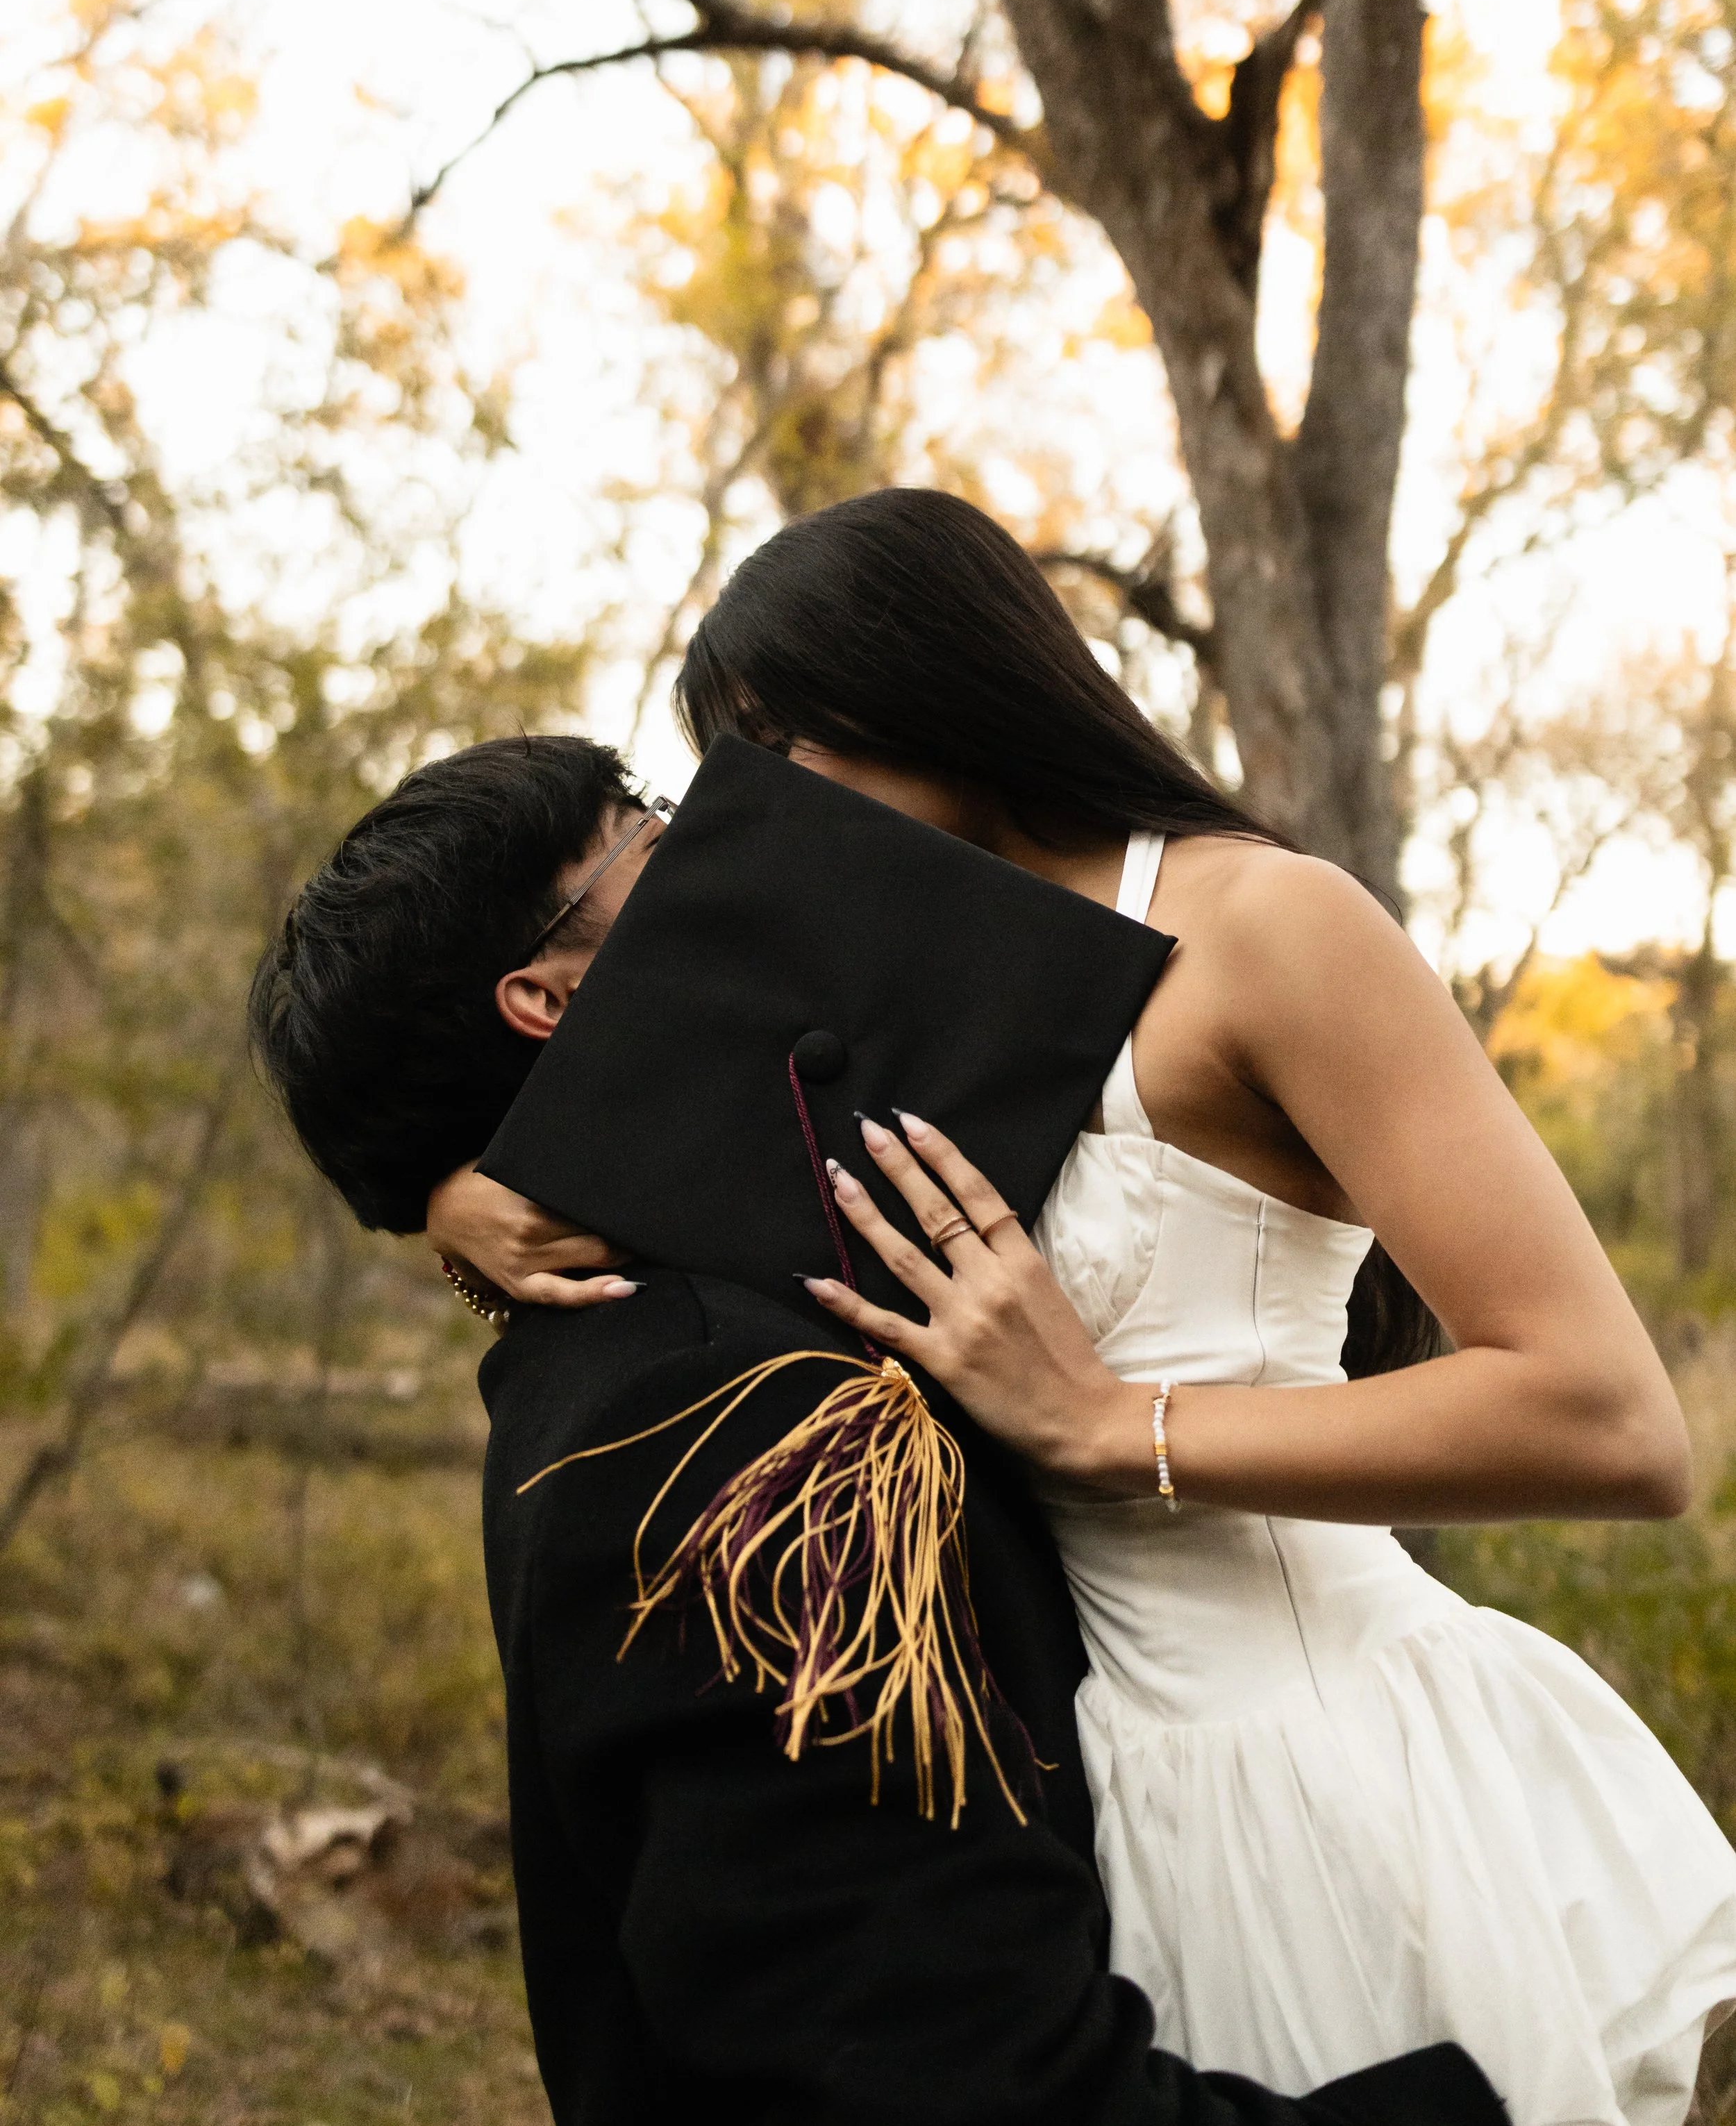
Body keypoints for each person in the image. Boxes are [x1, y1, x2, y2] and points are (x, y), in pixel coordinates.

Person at [431, 489, 1736, 2126]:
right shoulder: (881, 988)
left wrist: (1119, 1429)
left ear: (922, 685)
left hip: (1308, 1766)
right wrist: (448, 1193)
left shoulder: (1265, 928)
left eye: (781, 750)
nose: (761, 821)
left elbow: (1610, 1418)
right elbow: (638, 1166)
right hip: (1067, 1789)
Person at [250, 733, 1503, 2126]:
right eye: (653, 833)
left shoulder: (648, 1352)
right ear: (549, 994)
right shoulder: (733, 1422)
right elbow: (958, 2078)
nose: (735, 846)